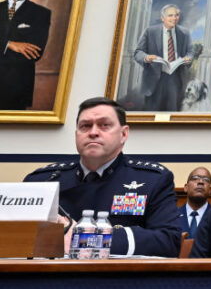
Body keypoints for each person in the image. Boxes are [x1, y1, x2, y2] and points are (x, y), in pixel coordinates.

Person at [24, 97, 180, 257]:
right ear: (76, 134)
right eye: (85, 126)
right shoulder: (43, 181)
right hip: (49, 278)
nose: (93, 132)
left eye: (104, 125)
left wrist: (89, 239)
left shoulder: (152, 179)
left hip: (117, 279)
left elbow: (169, 242)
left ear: (124, 134)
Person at [133, 4, 193, 111]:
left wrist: (188, 59)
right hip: (153, 78)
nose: (174, 18)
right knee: (151, 113)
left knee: (172, 112)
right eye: (170, 15)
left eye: (176, 15)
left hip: (175, 79)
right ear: (162, 18)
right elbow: (138, 53)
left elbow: (190, 52)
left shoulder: (184, 33)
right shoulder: (150, 32)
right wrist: (146, 57)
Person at [178, 167, 211, 239]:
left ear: (210, 190)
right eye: (195, 178)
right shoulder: (172, 216)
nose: (201, 182)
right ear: (186, 188)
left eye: (206, 180)